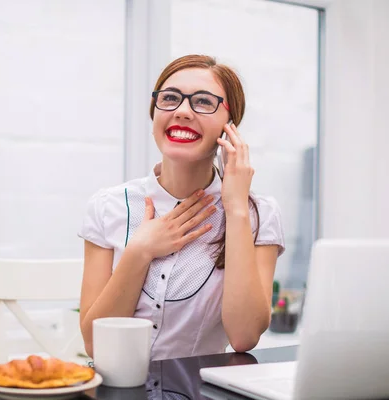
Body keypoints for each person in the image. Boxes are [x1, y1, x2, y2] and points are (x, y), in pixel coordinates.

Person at [77, 55, 285, 361]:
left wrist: (236, 208)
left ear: (230, 126)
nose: (182, 111)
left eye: (203, 102)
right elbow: (97, 345)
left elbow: (244, 337)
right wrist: (140, 251)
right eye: (170, 98)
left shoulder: (258, 213)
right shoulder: (107, 206)